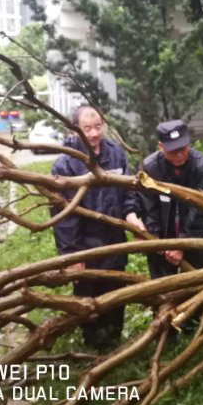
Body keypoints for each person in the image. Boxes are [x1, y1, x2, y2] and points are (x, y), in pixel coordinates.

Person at [50, 105, 146, 349]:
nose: (93, 134)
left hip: (114, 239)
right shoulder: (65, 163)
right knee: (87, 294)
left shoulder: (116, 154)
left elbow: (128, 192)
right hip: (84, 244)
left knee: (115, 290)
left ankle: (114, 338)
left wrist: (132, 215)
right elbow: (63, 214)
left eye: (97, 127)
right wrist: (71, 254)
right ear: (75, 130)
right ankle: (92, 342)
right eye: (87, 129)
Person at [138, 119, 203, 279]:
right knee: (162, 287)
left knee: (197, 283)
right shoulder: (150, 168)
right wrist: (156, 239)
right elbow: (148, 207)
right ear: (161, 147)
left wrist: (182, 244)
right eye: (173, 151)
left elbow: (200, 211)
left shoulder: (202, 166)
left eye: (183, 148)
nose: (180, 155)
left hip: (195, 236)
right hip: (162, 239)